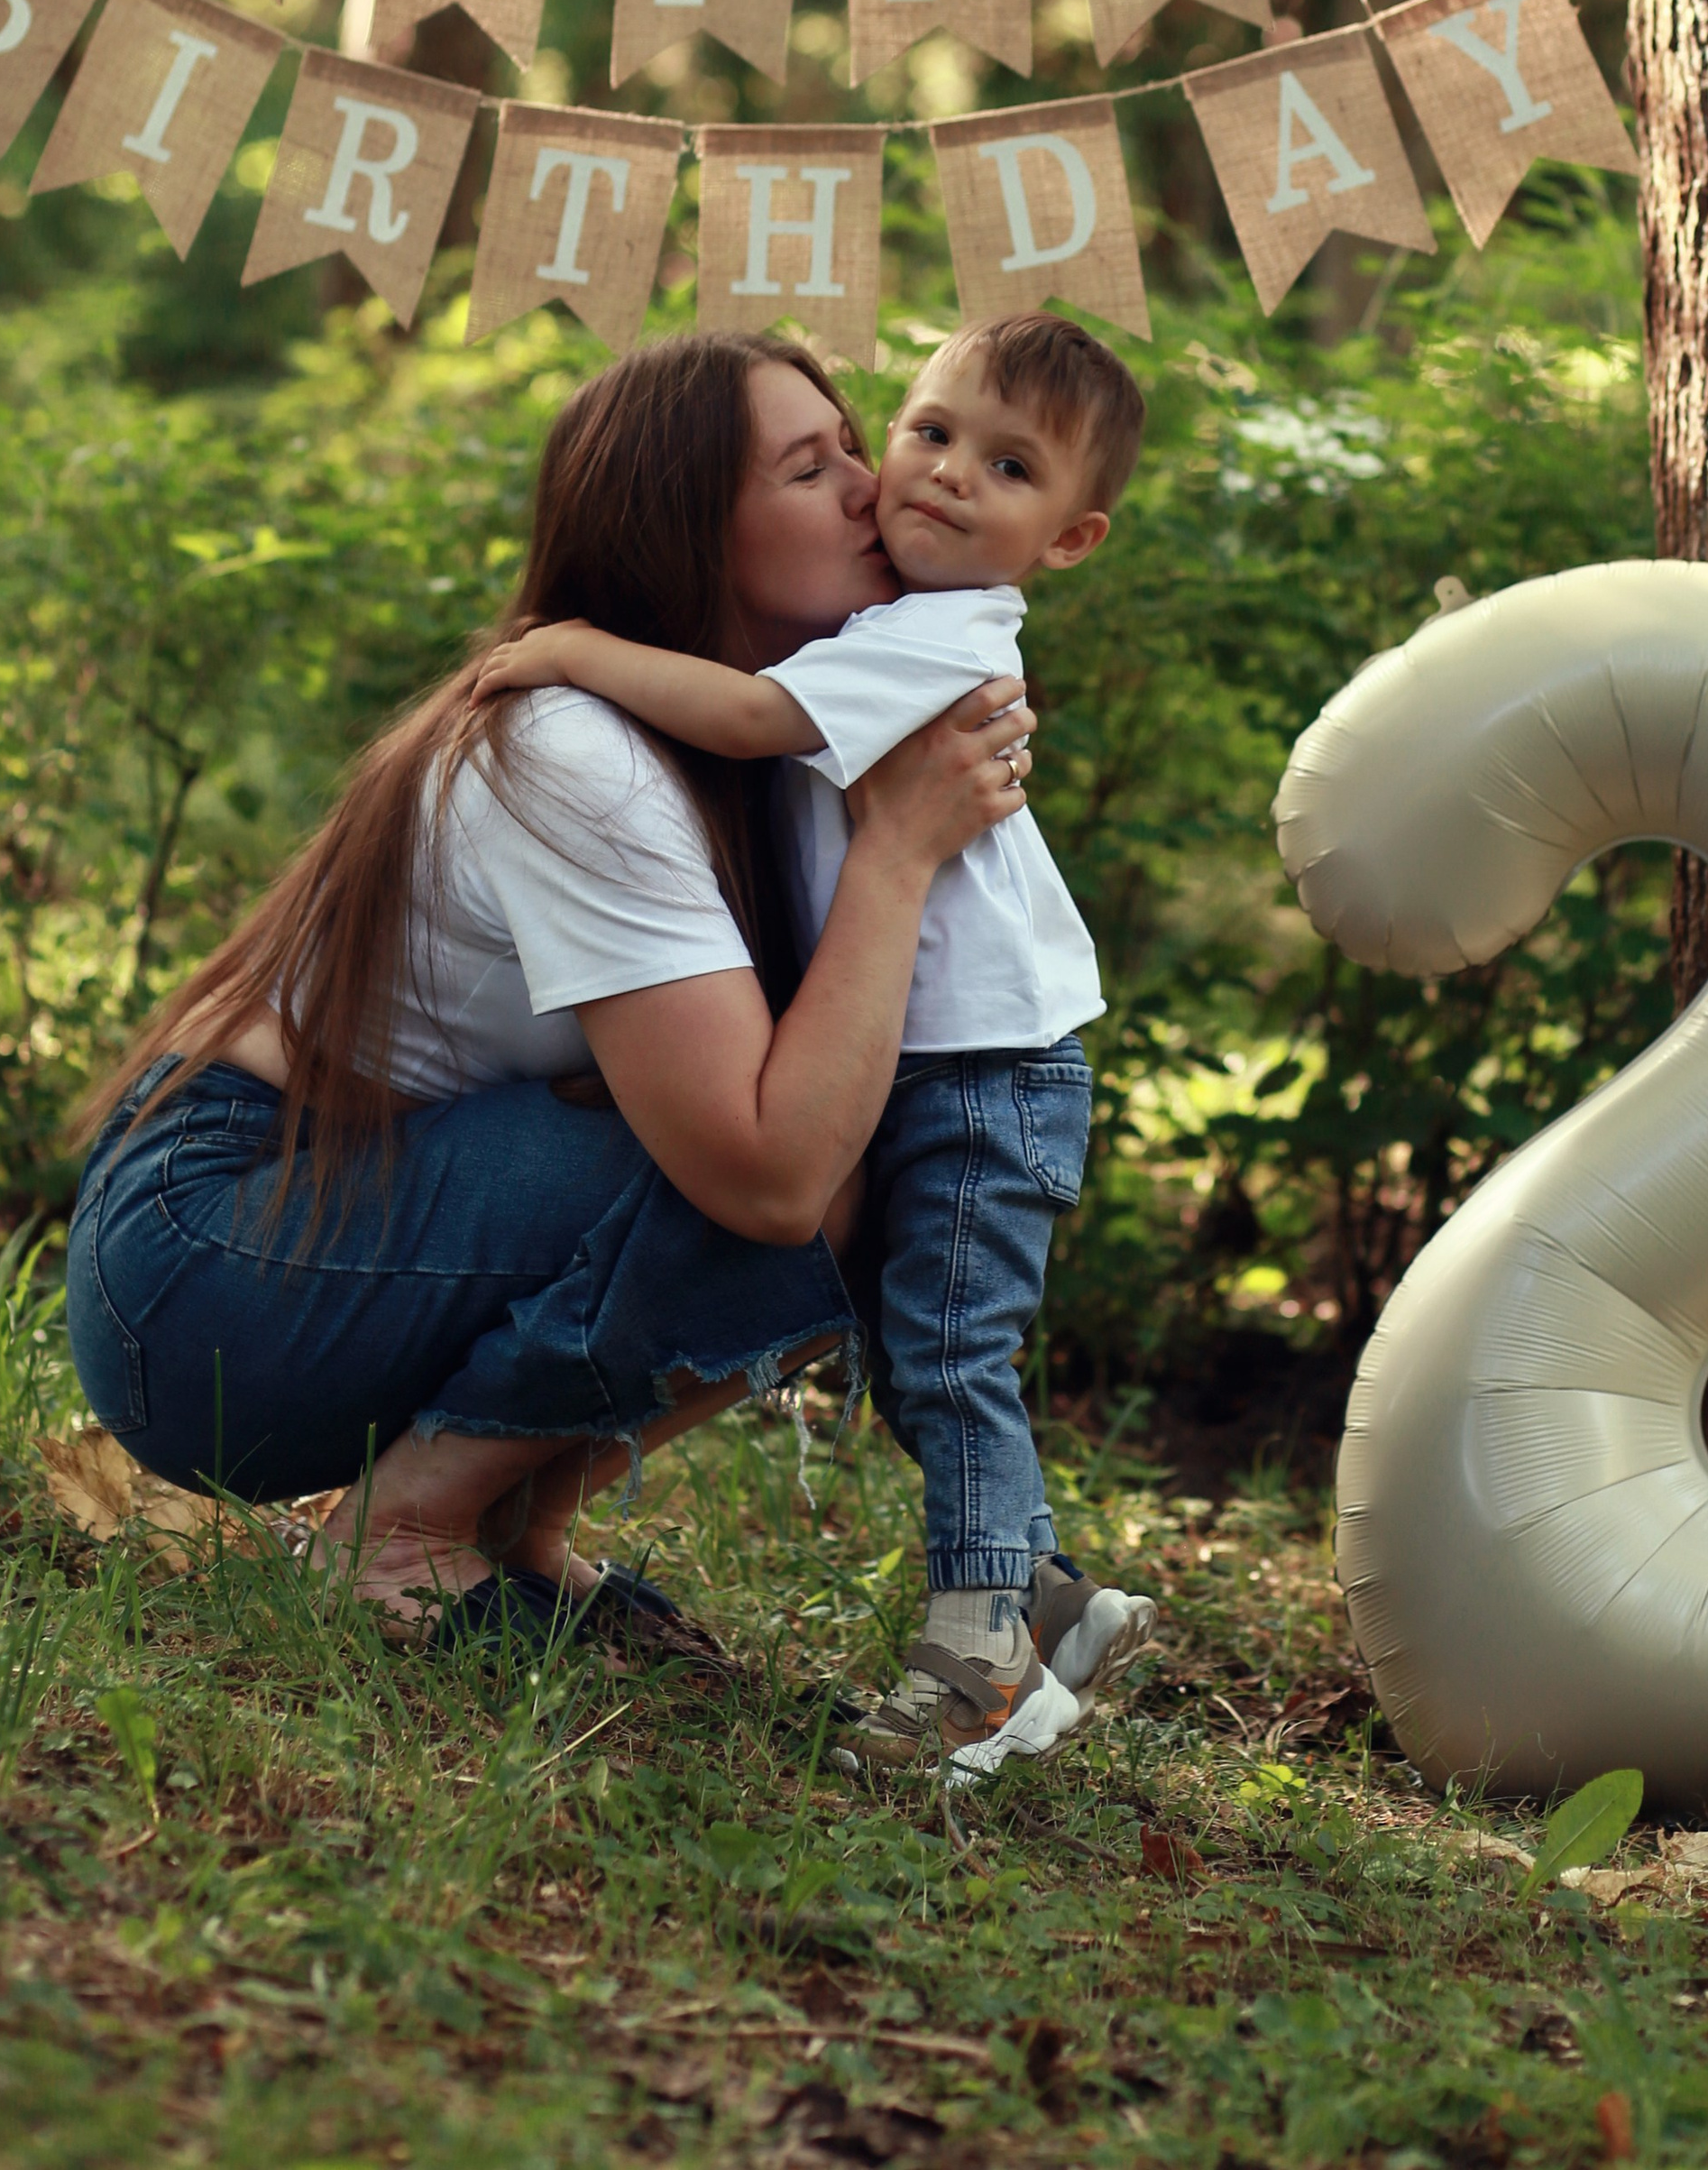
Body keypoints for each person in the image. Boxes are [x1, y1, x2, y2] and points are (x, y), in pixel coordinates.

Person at [63, 333, 1036, 1654]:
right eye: (814, 469)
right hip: (209, 1271)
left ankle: (506, 1530)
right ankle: (400, 1531)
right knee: (838, 1167)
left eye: (857, 444)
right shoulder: (580, 751)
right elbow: (771, 1179)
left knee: (911, 1137)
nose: (878, 487)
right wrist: (901, 854)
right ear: (684, 533)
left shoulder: (746, 746)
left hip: (318, 1219)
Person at [469, 314, 1161, 1766]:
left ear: (1073, 539)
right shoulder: (883, 624)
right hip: (954, 1067)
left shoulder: (933, 633)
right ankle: (1051, 1604)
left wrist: (571, 650)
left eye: (1010, 466)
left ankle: (976, 1656)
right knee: (923, 1360)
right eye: (923, 433)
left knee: (954, 1362)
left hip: (983, 1077)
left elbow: (739, 714)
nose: (942, 477)